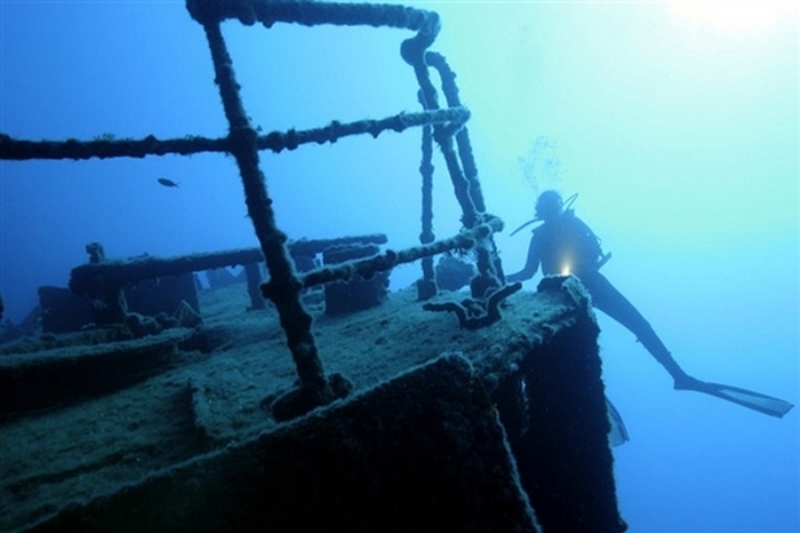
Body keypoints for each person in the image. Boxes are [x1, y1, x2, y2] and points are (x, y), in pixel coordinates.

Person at [506, 190, 793, 417]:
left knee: (636, 324)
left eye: (551, 205)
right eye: (547, 207)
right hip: (568, 287)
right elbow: (529, 272)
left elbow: (535, 271)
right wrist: (497, 276)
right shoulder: (544, 234)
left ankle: (679, 375)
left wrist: (502, 278)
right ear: (543, 210)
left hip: (575, 285)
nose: (550, 211)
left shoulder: (561, 228)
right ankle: (674, 376)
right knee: (628, 327)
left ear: (550, 208)